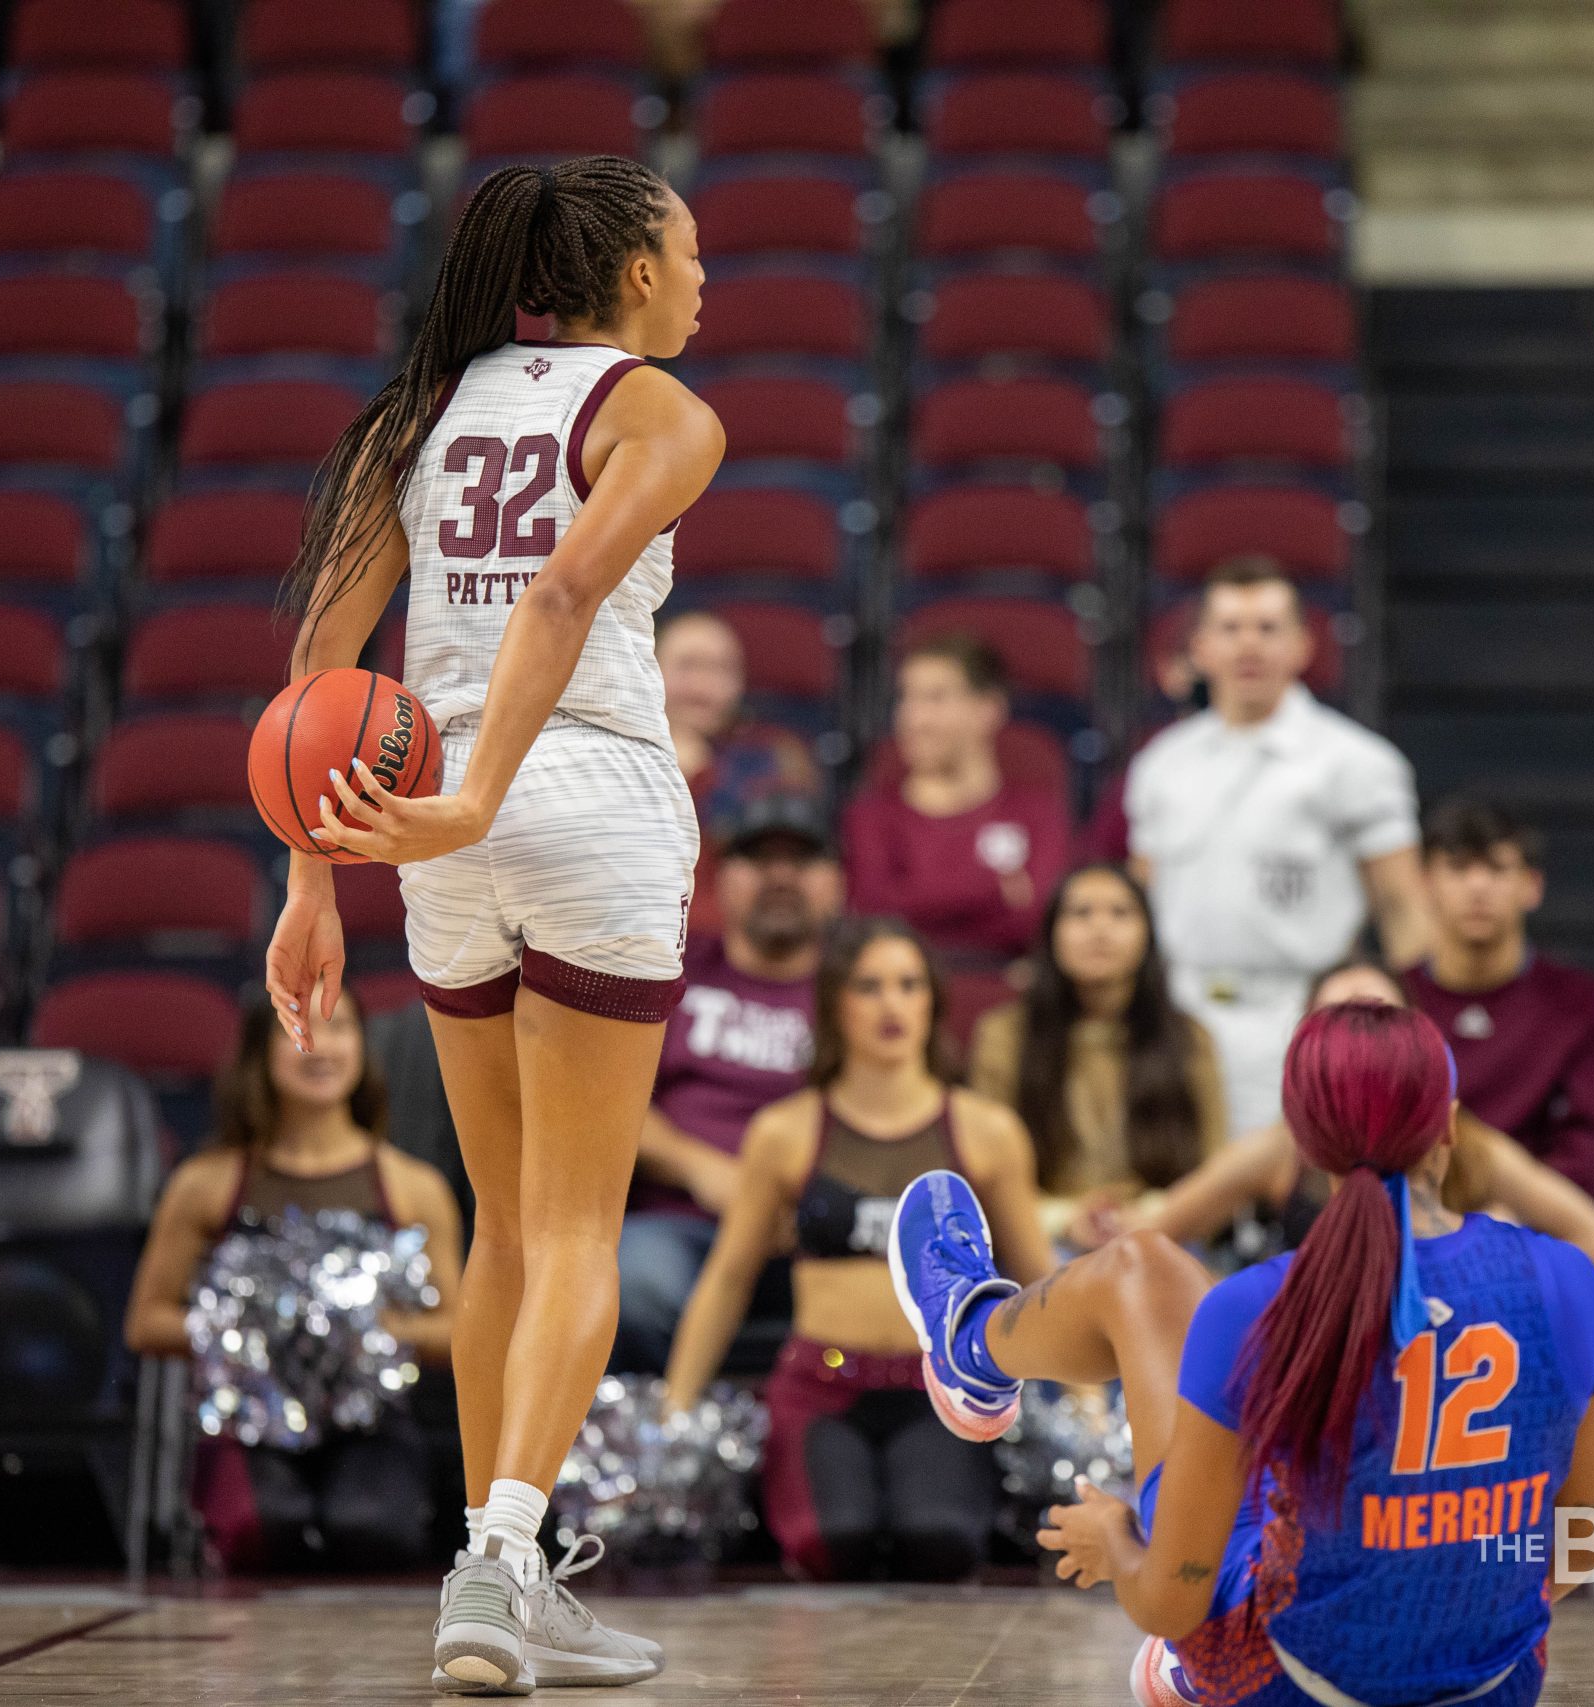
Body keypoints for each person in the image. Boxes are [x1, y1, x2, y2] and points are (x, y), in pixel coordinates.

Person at [265, 157, 723, 1692]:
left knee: (507, 1230)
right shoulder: (659, 410)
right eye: (694, 251)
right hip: (574, 792)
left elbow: (323, 659)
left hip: (419, 813)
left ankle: (495, 1563)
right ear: (637, 276)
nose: (707, 277)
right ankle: (505, 1558)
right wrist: (484, 798)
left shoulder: (421, 408)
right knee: (582, 1227)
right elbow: (564, 599)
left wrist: (311, 873)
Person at [888, 1002, 1594, 1707]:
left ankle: (969, 1339)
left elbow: (1171, 1604)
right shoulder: (1569, 1279)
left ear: (1303, 1142)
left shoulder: (1255, 1306)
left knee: (1142, 1266)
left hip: (1287, 1683)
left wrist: (1116, 1542)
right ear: (1452, 1126)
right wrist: (1439, 1600)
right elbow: (1579, 1548)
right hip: (1496, 1687)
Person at [660, 919, 1051, 1581]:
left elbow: (1040, 1277)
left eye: (908, 984)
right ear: (837, 1003)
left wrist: (1091, 1407)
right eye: (869, 986)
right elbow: (728, 1278)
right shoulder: (785, 1131)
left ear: (934, 999)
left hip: (941, 1389)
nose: (891, 1004)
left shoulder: (988, 1131)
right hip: (820, 1385)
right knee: (827, 1543)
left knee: (942, 1542)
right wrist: (677, 1407)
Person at [1126, 957, 1594, 1354]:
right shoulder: (1278, 1155)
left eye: (1376, 1018)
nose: (1361, 1045)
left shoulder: (1470, 1142)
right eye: (1340, 1022)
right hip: (1310, 1359)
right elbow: (1147, 1239)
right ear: (1306, 1049)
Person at [125, 992, 465, 1572]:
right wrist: (250, 1330)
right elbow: (145, 1322)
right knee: (263, 1529)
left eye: (341, 1029)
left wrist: (370, 1331)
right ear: (260, 1052)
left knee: (372, 1532)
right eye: (296, 1029)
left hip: (371, 1424)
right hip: (250, 1428)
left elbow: (459, 1331)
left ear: (364, 1047)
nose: (322, 1047)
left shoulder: (413, 1187)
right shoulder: (207, 1183)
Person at [1125, 558, 1429, 1134]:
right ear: (1200, 647)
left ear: (1303, 646)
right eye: (1231, 628)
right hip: (1179, 1019)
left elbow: (1404, 912)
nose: (1249, 646)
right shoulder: (1160, 765)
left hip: (1302, 1017)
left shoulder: (1358, 763)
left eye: (1267, 628)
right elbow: (1141, 903)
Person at [617, 792, 840, 1372]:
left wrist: (803, 1202)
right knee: (634, 1283)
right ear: (721, 879)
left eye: (803, 860)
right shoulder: (667, 968)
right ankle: (665, 1440)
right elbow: (608, 1100)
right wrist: (702, 1169)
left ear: (837, 882)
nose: (781, 876)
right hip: (683, 1222)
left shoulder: (864, 986)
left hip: (818, 1234)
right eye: (759, 859)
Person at [971, 865, 1227, 1251]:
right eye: (1081, 913)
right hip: (1042, 1236)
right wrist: (1065, 1219)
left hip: (1162, 1232)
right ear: (1051, 933)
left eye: (1120, 913)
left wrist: (1150, 1218)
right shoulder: (1004, 1035)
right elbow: (985, 1171)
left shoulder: (1189, 1038)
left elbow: (1215, 1172)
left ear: (1148, 935)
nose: (1100, 929)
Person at [1403, 801, 1594, 1204]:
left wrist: (1509, 1222)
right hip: (1409, 1224)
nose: (1478, 886)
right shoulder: (1391, 1001)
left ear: (1532, 886)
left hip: (1539, 1228)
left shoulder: (1588, 1005)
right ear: (1426, 884)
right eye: (1457, 868)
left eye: (1496, 868)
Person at [841, 633, 1071, 966]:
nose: (913, 719)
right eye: (906, 699)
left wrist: (917, 897)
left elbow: (1038, 921)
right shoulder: (870, 816)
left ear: (988, 709)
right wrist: (993, 890)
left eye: (935, 699)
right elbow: (873, 914)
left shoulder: (1039, 814)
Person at [656, 609, 819, 940]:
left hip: (743, 941)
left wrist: (701, 773)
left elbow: (771, 852)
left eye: (721, 669)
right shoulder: (614, 755)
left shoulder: (776, 754)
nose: (703, 685)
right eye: (688, 666)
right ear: (650, 668)